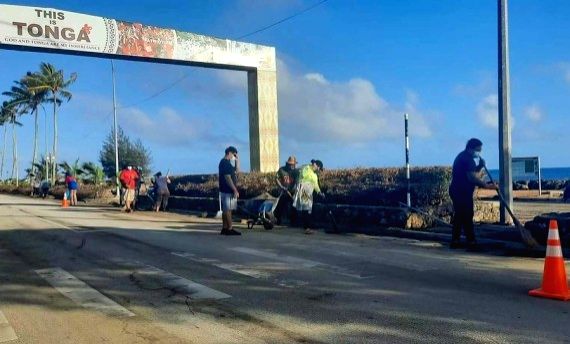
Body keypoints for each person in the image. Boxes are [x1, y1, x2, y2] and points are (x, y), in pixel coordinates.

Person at [449, 138, 498, 249]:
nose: (479, 153)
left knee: (460, 216)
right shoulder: (467, 159)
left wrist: (480, 166)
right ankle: (470, 241)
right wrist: (487, 185)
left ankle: (456, 240)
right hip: (461, 192)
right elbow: (471, 177)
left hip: (458, 190)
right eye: (477, 150)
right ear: (470, 148)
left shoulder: (462, 156)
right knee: (466, 216)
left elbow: (472, 172)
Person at [293, 159, 325, 235]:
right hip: (303, 190)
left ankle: (309, 226)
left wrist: (320, 192)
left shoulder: (315, 175)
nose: (318, 170)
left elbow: (316, 185)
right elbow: (303, 176)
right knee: (305, 208)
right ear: (316, 165)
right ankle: (306, 228)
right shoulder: (306, 168)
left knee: (309, 209)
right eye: (318, 168)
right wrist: (311, 166)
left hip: (309, 192)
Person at [219, 146, 241, 236]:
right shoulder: (225, 163)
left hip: (225, 189)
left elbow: (237, 171)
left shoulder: (225, 163)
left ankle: (224, 228)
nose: (234, 156)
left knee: (225, 210)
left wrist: (237, 161)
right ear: (230, 153)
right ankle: (230, 228)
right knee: (228, 210)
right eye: (234, 154)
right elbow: (228, 177)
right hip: (228, 190)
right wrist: (235, 190)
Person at [275, 156, 298, 225]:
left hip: (292, 192)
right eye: (290, 164)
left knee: (293, 207)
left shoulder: (296, 171)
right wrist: (281, 187)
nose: (292, 166)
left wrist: (294, 189)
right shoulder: (282, 170)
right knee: (280, 206)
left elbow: (297, 181)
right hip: (283, 192)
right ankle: (278, 220)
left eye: (293, 164)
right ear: (287, 164)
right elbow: (276, 179)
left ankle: (293, 222)